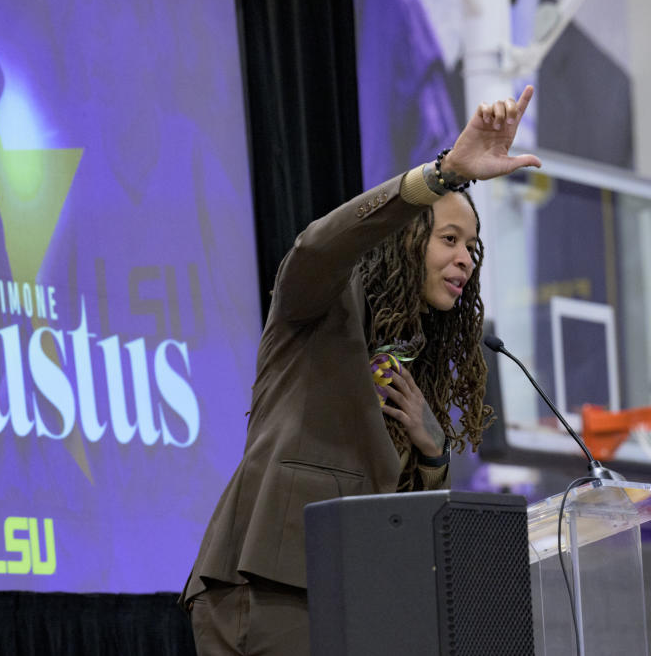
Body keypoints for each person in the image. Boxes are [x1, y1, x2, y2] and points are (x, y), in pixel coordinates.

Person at [182, 86, 540, 655]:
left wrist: (430, 454)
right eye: (449, 239)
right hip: (271, 587)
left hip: (361, 594)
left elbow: (401, 516)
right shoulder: (321, 304)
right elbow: (319, 247)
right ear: (402, 241)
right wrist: (443, 175)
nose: (466, 259)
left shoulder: (409, 362)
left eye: (472, 247)